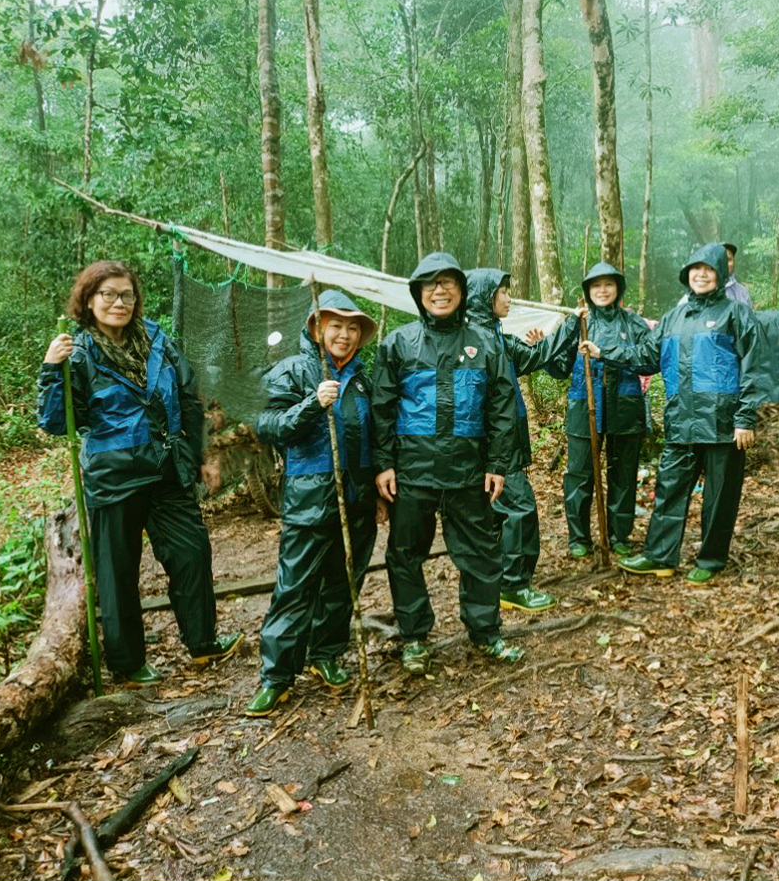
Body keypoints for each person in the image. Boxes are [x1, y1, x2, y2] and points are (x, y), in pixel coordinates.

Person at [39, 261, 241, 688]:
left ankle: (203, 643)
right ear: (89, 301)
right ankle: (128, 665)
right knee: (117, 572)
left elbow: (188, 397)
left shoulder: (158, 341)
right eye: (108, 295)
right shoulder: (77, 352)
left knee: (192, 552)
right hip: (114, 478)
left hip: (166, 469)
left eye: (126, 295)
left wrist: (199, 453)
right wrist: (51, 369)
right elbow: (59, 423)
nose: (119, 303)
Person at [372, 253, 525, 674]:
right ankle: (415, 637)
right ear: (418, 294)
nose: (439, 291)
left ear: (460, 289)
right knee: (404, 555)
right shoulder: (399, 343)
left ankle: (485, 632)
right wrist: (383, 464)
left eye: (447, 283)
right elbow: (381, 407)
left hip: (468, 473)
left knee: (480, 554)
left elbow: (501, 407)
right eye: (429, 285)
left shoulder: (485, 342)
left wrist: (497, 464)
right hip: (411, 474)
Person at [578, 243, 762, 585]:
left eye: (709, 268)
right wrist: (604, 351)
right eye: (695, 268)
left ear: (721, 273)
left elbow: (755, 367)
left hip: (723, 422)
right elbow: (646, 356)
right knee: (669, 488)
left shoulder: (736, 314)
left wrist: (746, 417)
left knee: (719, 495)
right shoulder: (674, 318)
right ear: (686, 274)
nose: (701, 274)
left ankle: (711, 558)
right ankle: (660, 556)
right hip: (681, 419)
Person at [245, 291, 382, 718]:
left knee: (344, 582)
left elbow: (374, 438)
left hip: (357, 499)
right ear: (316, 328)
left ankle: (326, 653)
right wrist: (311, 404)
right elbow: (266, 426)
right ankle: (276, 676)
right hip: (309, 499)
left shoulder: (363, 380)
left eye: (353, 327)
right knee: (295, 588)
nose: (344, 334)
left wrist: (377, 491)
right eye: (335, 325)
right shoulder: (293, 370)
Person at [466, 268, 579, 612]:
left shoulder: (496, 335)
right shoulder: (478, 339)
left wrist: (570, 326)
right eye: (502, 291)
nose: (508, 297)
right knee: (520, 508)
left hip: (505, 441)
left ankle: (504, 580)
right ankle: (513, 585)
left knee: (506, 511)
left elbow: (536, 355)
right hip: (495, 445)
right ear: (486, 297)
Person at [548, 262, 655, 560]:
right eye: (596, 286)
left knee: (623, 474)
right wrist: (543, 352)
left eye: (608, 284)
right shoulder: (578, 322)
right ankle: (579, 538)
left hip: (625, 406)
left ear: (618, 289)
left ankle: (619, 536)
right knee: (580, 474)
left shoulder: (633, 324)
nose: (602, 290)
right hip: (585, 405)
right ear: (588, 291)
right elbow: (559, 369)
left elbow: (650, 359)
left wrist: (605, 353)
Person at [722, 243, 753, 308]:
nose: (726, 263)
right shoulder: (705, 290)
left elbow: (750, 315)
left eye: (729, 260)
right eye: (722, 260)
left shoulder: (742, 291)